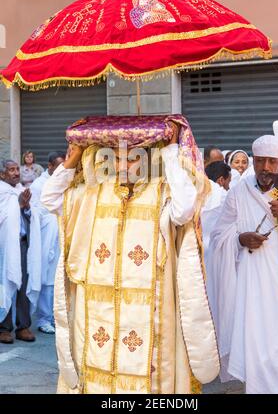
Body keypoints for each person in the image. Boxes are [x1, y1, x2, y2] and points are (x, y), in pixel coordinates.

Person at [41, 116, 219, 394]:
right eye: (117, 158)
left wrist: (172, 152)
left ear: (149, 158)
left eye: (133, 159)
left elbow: (185, 209)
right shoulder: (92, 193)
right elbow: (49, 199)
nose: (124, 166)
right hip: (98, 314)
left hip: (148, 315)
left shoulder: (162, 194)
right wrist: (72, 159)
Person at [207, 135, 278, 394]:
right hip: (251, 284)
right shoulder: (240, 190)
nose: (266, 167)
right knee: (256, 348)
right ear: (254, 162)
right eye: (260, 161)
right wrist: (240, 239)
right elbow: (218, 236)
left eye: (272, 161)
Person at [0, 159, 41, 344]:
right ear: (2, 174)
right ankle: (3, 327)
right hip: (4, 247)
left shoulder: (20, 191)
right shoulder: (2, 192)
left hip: (22, 245)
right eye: (11, 170)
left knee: (23, 284)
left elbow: (33, 216)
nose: (16, 173)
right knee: (6, 283)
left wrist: (26, 208)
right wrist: (18, 206)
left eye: (17, 169)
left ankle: (23, 326)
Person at [30, 151, 65, 334]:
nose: (62, 170)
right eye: (58, 166)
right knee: (46, 280)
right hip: (45, 238)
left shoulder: (63, 181)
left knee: (58, 279)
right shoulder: (38, 185)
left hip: (60, 236)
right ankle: (43, 319)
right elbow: (34, 213)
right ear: (49, 166)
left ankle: (55, 318)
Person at [202, 161, 231, 268]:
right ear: (221, 180)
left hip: (193, 247)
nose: (229, 186)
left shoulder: (194, 189)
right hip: (215, 249)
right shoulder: (224, 195)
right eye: (229, 182)